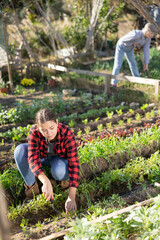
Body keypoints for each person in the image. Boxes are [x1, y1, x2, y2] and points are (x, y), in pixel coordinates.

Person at [14, 108, 80, 213]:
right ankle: (32, 190)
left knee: (59, 171)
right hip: (42, 158)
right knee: (20, 151)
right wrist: (45, 181)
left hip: (58, 160)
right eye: (43, 130)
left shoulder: (67, 133)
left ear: (57, 123)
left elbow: (74, 164)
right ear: (38, 127)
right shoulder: (34, 132)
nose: (49, 133)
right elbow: (33, 159)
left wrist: (71, 197)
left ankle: (63, 182)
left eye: (52, 128)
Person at [111, 23, 159, 87]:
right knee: (118, 64)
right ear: (147, 31)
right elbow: (123, 40)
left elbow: (146, 51)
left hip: (129, 49)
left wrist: (146, 64)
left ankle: (137, 80)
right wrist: (133, 43)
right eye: (152, 33)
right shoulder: (136, 34)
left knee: (133, 64)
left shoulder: (148, 39)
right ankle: (113, 83)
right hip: (121, 46)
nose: (152, 35)